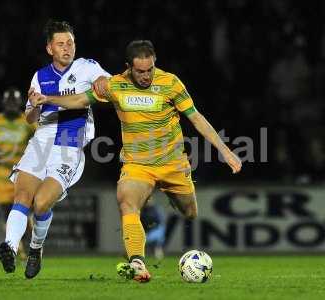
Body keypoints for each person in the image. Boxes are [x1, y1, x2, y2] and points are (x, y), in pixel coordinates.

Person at [30, 40, 242, 282]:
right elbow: (79, 100)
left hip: (173, 164)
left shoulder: (170, 83)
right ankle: (138, 262)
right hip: (138, 165)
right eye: (140, 71)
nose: (146, 75)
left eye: (150, 69)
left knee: (190, 213)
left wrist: (225, 151)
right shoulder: (115, 85)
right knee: (126, 201)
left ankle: (170, 195)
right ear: (128, 67)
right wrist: (47, 99)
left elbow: (196, 118)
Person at [0, 20, 110, 279]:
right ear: (50, 48)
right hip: (42, 137)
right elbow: (29, 117)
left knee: (41, 203)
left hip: (70, 140)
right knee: (22, 195)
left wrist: (103, 83)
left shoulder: (86, 67)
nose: (67, 48)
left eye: (70, 43)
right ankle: (11, 247)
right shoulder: (40, 76)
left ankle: (35, 248)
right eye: (61, 44)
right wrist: (35, 105)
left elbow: (106, 82)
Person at [0, 87, 35, 260]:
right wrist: (2, 161)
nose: (12, 105)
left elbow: (40, 143)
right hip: (1, 178)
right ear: (4, 103)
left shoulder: (28, 121)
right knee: (7, 214)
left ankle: (26, 248)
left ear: (19, 103)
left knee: (25, 216)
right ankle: (16, 249)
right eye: (9, 102)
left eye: (15, 102)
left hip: (23, 176)